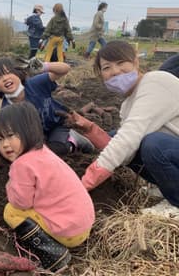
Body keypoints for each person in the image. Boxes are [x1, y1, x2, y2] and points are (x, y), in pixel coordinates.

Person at [59, 40, 179, 218]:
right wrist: (91, 130)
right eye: (106, 67)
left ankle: (176, 203)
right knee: (122, 143)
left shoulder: (155, 81)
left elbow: (130, 136)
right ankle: (167, 187)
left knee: (150, 145)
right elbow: (126, 152)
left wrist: (86, 182)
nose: (115, 71)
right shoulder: (127, 105)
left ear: (136, 63)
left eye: (121, 63)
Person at [0, 102, 95, 271]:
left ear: (29, 131)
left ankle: (53, 254)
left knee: (10, 211)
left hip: (68, 233)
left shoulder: (22, 165)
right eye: (0, 139)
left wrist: (10, 185)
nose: (5, 144)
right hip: (84, 224)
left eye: (10, 135)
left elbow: (21, 203)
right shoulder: (44, 152)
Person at [0, 57, 94, 183]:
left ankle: (73, 140)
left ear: (18, 73)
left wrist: (44, 66)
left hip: (56, 124)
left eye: (8, 72)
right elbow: (1, 140)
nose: (5, 78)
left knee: (56, 149)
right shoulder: (8, 110)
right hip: (37, 136)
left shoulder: (35, 84)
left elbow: (65, 69)